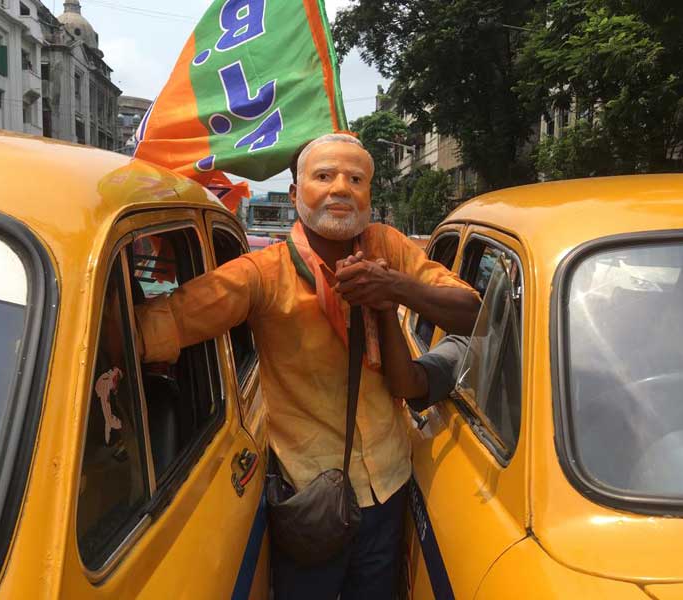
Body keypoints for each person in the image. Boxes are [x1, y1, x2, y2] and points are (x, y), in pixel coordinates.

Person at [134, 133, 480, 599]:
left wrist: (394, 286)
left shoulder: (388, 247)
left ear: (369, 195)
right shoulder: (263, 273)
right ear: (296, 195)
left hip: (389, 484)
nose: (341, 188)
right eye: (324, 176)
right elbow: (166, 324)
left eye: (355, 179)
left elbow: (472, 312)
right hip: (308, 496)